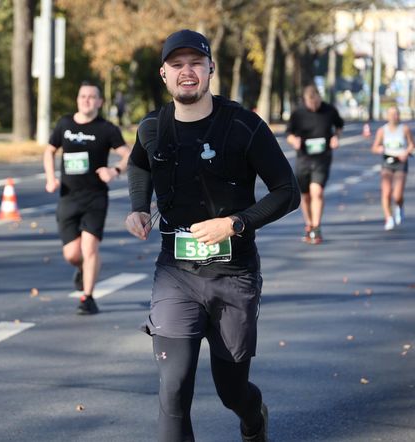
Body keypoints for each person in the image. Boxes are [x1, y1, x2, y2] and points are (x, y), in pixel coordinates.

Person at [125, 29, 300, 442]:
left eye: (195, 63)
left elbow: (287, 191)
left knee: (231, 390)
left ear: (210, 70)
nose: (187, 72)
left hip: (233, 274)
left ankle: (253, 416)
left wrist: (237, 223)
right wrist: (137, 207)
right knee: (174, 387)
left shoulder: (243, 125)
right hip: (176, 273)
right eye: (177, 65)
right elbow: (138, 163)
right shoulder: (152, 126)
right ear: (164, 74)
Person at [44, 81, 131, 315]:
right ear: (77, 99)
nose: (87, 100)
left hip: (95, 198)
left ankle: (88, 297)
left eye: (92, 97)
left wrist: (115, 171)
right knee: (72, 254)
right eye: (83, 96)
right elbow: (49, 150)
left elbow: (129, 154)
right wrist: (51, 178)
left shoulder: (107, 129)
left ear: (100, 102)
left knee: (90, 249)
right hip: (68, 197)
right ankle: (83, 269)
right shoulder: (65, 124)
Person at [286, 85, 344, 244]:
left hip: (322, 158)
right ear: (305, 101)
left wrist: (335, 138)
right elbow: (289, 133)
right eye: (311, 104)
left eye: (317, 102)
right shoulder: (298, 113)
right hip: (304, 158)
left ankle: (316, 227)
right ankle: (309, 224)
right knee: (305, 195)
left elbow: (339, 125)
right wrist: (294, 141)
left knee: (316, 192)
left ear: (320, 98)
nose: (314, 106)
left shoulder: (329, 110)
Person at [371, 106, 414, 230]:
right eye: (391, 114)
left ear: (399, 115)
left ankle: (399, 206)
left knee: (397, 194)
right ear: (387, 116)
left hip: (401, 163)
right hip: (387, 162)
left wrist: (406, 152)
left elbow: (412, 145)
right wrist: (380, 149)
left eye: (395, 114)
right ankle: (389, 218)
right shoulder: (382, 130)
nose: (393, 116)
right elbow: (374, 147)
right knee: (386, 192)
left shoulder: (404, 129)